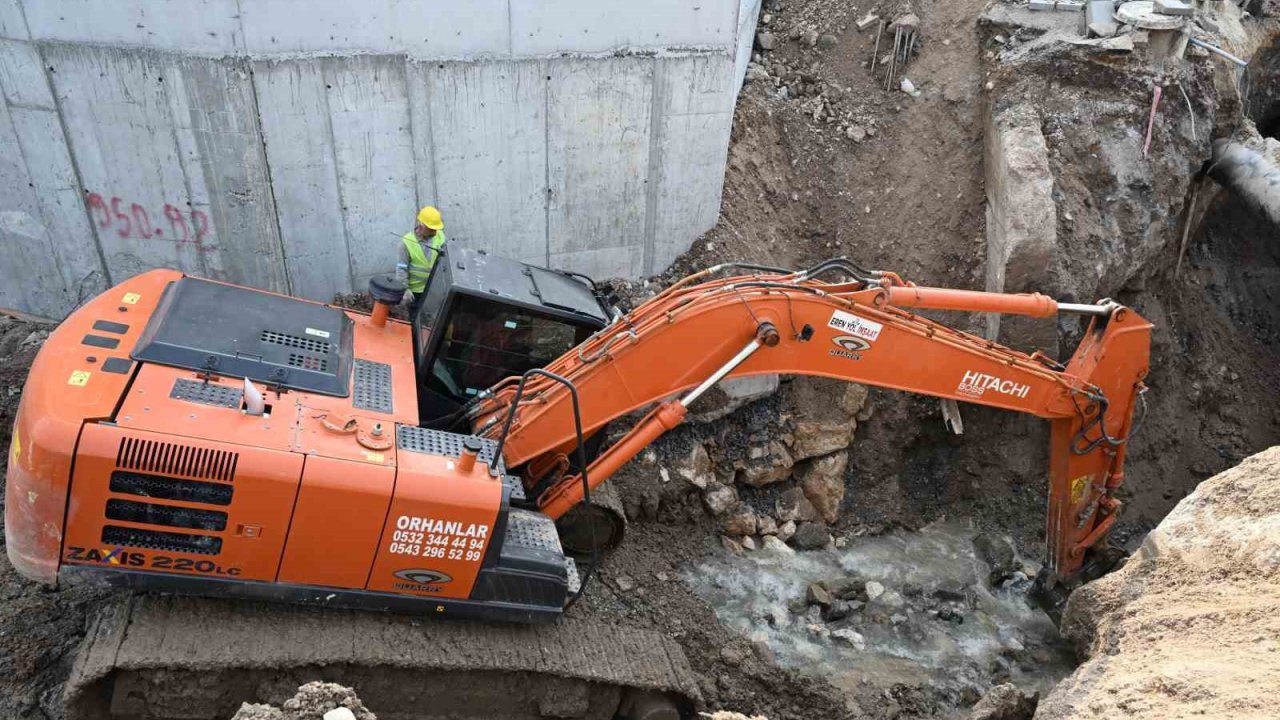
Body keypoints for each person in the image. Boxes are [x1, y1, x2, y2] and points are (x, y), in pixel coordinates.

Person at [396, 206, 446, 313]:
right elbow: (401, 270)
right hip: (415, 293)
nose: (435, 231)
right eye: (432, 228)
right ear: (421, 225)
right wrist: (405, 290)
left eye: (436, 228)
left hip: (434, 290)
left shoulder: (440, 236)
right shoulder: (406, 243)